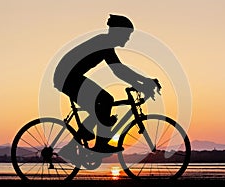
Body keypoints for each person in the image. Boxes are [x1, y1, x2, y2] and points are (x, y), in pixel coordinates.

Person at [53, 14, 158, 153]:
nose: (128, 38)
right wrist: (144, 82)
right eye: (127, 34)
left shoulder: (105, 43)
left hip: (68, 76)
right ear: (118, 32)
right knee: (105, 99)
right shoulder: (103, 44)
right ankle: (100, 145)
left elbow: (119, 69)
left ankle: (71, 148)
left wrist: (143, 82)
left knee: (98, 109)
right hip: (67, 77)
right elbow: (119, 70)